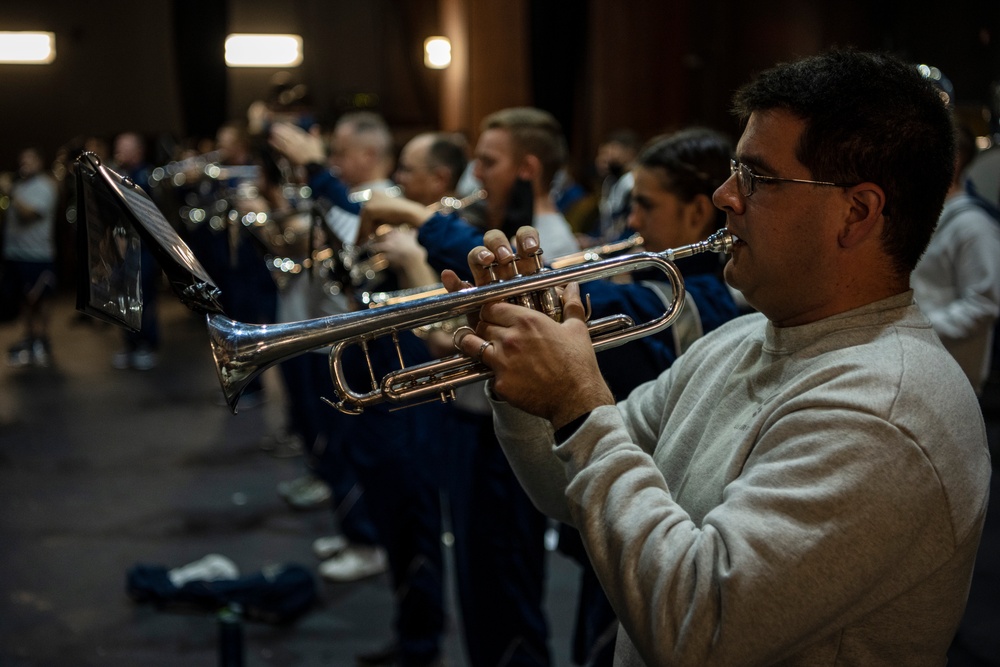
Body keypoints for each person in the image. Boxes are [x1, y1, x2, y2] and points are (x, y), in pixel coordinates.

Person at [448, 49, 991, 665]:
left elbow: (698, 630)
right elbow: (564, 490)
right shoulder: (741, 339)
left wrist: (577, 404)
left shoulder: (885, 409)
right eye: (735, 169)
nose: (724, 195)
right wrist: (522, 378)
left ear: (857, 213)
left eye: (758, 178)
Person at [911, 121, 1000, 396]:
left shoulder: (974, 226)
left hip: (952, 372)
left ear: (954, 161)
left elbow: (984, 304)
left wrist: (917, 329)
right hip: (921, 361)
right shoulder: (927, 216)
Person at [109, 132, 162, 370]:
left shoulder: (148, 175)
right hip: (121, 247)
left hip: (143, 249)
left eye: (125, 147)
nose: (119, 152)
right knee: (124, 297)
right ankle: (130, 343)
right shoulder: (117, 173)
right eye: (118, 147)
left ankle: (146, 344)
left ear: (138, 151)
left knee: (144, 298)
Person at [2, 147, 59, 367]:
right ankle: (30, 337)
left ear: (39, 162)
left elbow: (30, 215)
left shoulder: (45, 186)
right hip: (15, 254)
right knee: (22, 299)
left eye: (29, 160)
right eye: (21, 161)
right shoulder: (19, 185)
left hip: (37, 255)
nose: (24, 165)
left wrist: (11, 194)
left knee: (40, 298)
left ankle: (43, 338)